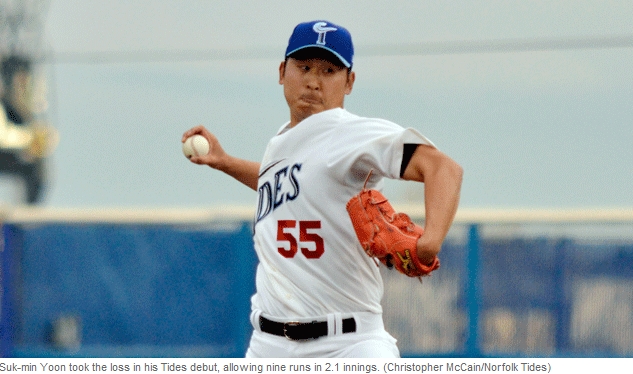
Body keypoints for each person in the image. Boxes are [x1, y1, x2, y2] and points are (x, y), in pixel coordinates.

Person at [182, 20, 463, 358]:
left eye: (329, 70)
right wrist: (224, 161)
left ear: (349, 82)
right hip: (269, 343)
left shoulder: (350, 134)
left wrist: (429, 242)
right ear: (283, 72)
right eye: (304, 67)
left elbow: (444, 168)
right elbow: (288, 183)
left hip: (348, 344)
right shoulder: (283, 140)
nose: (314, 81)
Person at [0, 55, 56, 204]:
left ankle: (27, 218)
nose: (23, 88)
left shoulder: (23, 112)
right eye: (19, 82)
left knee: (35, 167)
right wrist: (31, 138)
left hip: (11, 159)